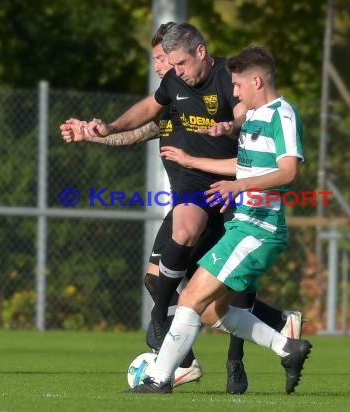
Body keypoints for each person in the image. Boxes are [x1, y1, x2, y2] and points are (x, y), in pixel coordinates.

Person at [60, 23, 303, 394]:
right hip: (224, 205)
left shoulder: (263, 107)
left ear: (201, 53)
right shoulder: (175, 88)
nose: (166, 68)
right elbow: (140, 127)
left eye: (170, 60)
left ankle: (166, 370)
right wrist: (101, 131)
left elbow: (277, 162)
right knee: (200, 304)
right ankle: (282, 340)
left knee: (199, 294)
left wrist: (228, 139)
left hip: (243, 215)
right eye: (161, 60)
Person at [127, 45, 312, 394]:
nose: (235, 94)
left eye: (239, 86)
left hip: (259, 229)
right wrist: (192, 161)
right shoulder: (255, 117)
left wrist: (239, 186)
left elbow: (288, 172)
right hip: (243, 227)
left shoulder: (282, 116)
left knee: (189, 300)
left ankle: (157, 379)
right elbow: (243, 167)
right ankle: (287, 347)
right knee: (213, 313)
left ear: (257, 81)